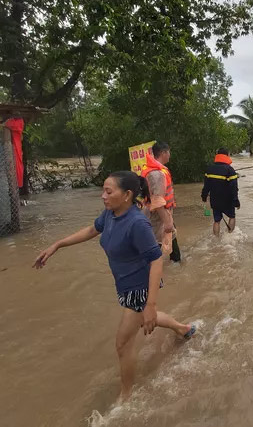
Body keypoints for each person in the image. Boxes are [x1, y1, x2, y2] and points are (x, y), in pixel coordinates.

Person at [33, 171, 195, 401]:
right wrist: (58, 245)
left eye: (109, 192)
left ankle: (126, 397)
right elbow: (92, 230)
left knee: (122, 344)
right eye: (103, 190)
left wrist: (150, 303)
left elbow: (156, 259)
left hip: (139, 287)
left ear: (127, 195)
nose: (103, 196)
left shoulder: (137, 223)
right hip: (125, 285)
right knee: (147, 318)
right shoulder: (110, 214)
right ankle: (183, 329)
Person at [141, 142, 181, 262]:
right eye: (169, 152)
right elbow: (157, 201)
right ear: (163, 153)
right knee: (156, 243)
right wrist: (167, 222)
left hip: (162, 213)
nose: (169, 155)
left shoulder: (152, 169)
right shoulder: (157, 174)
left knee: (172, 237)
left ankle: (176, 262)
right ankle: (154, 270)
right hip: (158, 215)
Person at [201, 148, 240, 235]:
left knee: (217, 221)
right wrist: (236, 201)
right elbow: (234, 188)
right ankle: (230, 236)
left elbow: (206, 186)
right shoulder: (230, 170)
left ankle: (216, 239)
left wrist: (204, 196)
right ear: (227, 155)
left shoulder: (209, 169)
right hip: (228, 200)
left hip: (215, 200)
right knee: (232, 217)